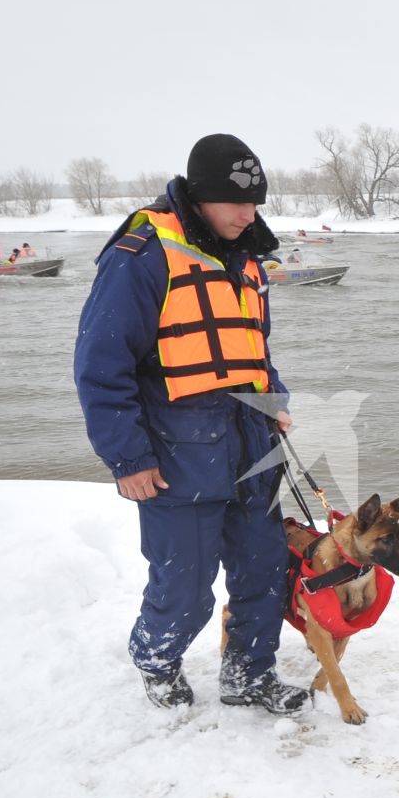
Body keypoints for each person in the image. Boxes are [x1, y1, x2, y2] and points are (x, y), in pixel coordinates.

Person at [74, 133, 303, 714]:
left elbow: (251, 344)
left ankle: (249, 675)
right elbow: (100, 364)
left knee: (264, 570)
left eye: (255, 202)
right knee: (184, 587)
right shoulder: (144, 251)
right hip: (177, 450)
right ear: (199, 195)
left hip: (251, 441)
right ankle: (158, 661)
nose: (247, 213)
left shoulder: (249, 254)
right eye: (234, 201)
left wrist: (273, 400)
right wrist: (128, 458)